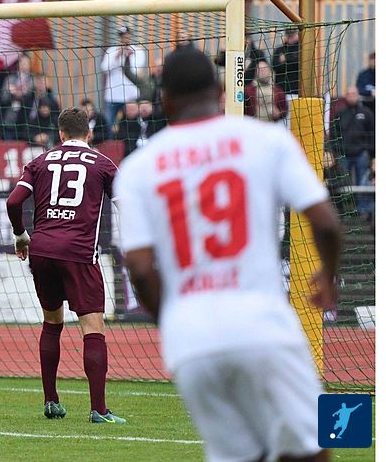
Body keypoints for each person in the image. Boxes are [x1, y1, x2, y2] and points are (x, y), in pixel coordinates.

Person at [115, 45, 342, 462]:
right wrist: (327, 276)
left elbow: (141, 270)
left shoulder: (137, 169)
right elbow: (326, 222)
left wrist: (177, 320)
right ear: (220, 91)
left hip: (192, 343)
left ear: (164, 100)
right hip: (261, 325)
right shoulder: (266, 140)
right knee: (312, 450)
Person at [5, 108, 124, 423]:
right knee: (92, 328)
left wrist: (21, 235)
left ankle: (51, 401)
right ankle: (99, 409)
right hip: (79, 253)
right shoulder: (102, 163)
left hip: (42, 251)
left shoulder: (39, 161)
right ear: (89, 133)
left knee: (52, 323)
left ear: (60, 134)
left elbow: (13, 202)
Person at [100, 26, 146, 129]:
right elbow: (104, 68)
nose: (125, 38)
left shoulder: (138, 51)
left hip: (131, 96)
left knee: (132, 124)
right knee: (109, 124)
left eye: (127, 35)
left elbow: (136, 69)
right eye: (122, 36)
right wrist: (117, 56)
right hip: (113, 96)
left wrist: (128, 57)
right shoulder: (112, 51)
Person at [331, 86, 375, 186]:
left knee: (363, 184)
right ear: (345, 96)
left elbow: (372, 133)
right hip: (344, 155)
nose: (351, 96)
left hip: (362, 154)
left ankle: (361, 198)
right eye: (349, 94)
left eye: (354, 94)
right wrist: (337, 150)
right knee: (344, 185)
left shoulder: (366, 113)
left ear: (357, 95)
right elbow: (334, 133)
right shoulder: (340, 113)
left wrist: (370, 152)